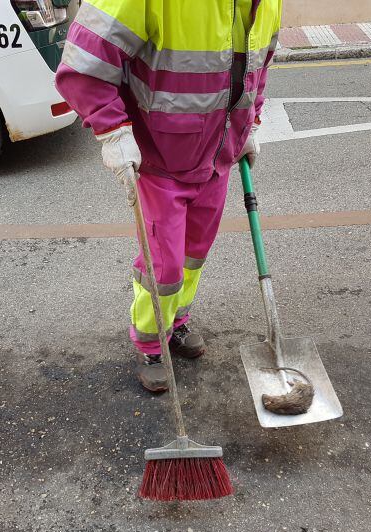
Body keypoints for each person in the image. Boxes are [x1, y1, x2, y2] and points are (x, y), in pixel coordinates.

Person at [56, 0, 281, 392]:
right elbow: (83, 64)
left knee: (194, 255)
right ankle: (149, 342)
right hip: (161, 160)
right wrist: (112, 131)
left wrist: (251, 124)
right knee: (164, 266)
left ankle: (175, 323)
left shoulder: (269, 3)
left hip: (217, 158)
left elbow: (257, 70)